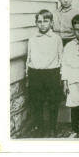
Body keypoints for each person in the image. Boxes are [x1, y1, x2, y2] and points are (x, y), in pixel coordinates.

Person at [26, 9, 63, 138]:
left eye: (45, 21)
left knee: (53, 102)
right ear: (36, 23)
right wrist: (27, 75)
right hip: (35, 73)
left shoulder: (56, 39)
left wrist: (61, 76)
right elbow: (29, 57)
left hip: (52, 73)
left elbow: (61, 57)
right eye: (39, 21)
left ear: (51, 23)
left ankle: (53, 127)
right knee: (37, 102)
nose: (42, 24)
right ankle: (40, 128)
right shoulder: (32, 39)